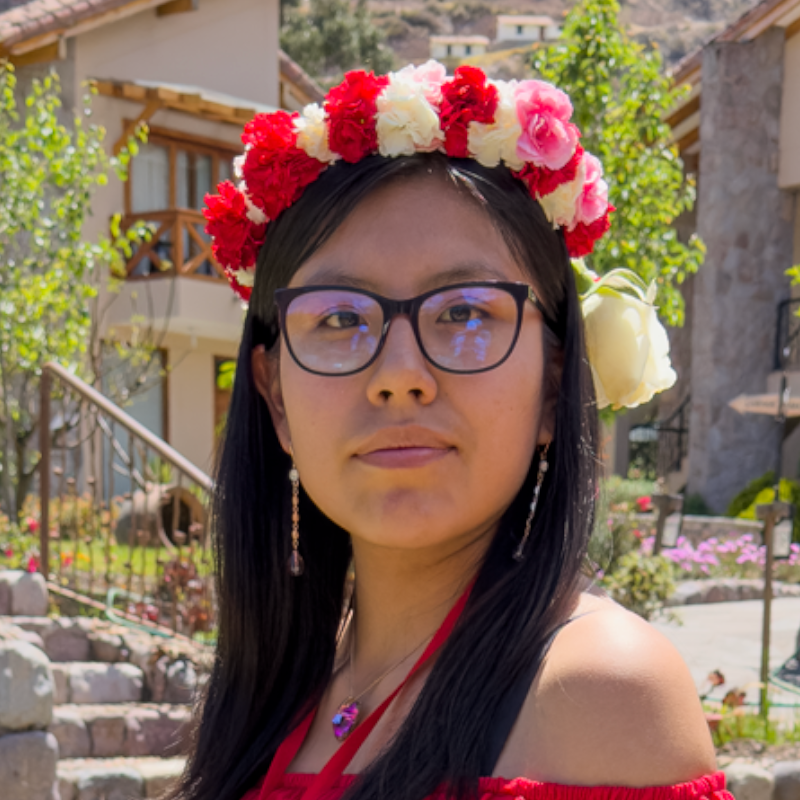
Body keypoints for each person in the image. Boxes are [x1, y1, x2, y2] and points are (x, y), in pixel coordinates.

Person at [176, 62, 727, 800]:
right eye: (339, 318)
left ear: (553, 383)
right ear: (275, 397)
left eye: (465, 312)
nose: (400, 375)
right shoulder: (284, 686)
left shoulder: (596, 691)